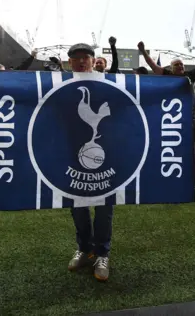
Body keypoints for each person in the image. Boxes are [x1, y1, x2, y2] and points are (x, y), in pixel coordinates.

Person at [66, 43, 113, 282]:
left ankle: (102, 253)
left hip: (103, 152)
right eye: (76, 58)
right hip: (72, 153)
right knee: (77, 205)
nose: (81, 61)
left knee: (105, 206)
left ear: (94, 61)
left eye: (85, 57)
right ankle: (85, 248)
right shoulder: (61, 84)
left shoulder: (108, 84)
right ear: (69, 63)